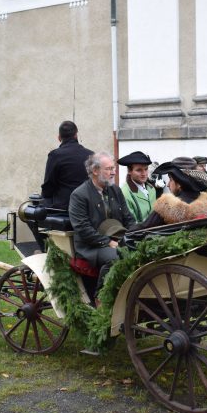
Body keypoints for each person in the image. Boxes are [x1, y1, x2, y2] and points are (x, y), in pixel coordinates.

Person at [68, 152, 136, 301]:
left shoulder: (115, 190)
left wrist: (136, 234)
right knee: (117, 257)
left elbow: (128, 218)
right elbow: (83, 229)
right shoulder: (79, 195)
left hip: (117, 240)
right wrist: (108, 242)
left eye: (114, 168)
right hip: (91, 247)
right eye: (109, 168)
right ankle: (101, 298)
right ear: (95, 170)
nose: (113, 172)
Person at [133, 157, 207, 229]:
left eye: (171, 179)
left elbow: (142, 229)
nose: (168, 184)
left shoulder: (166, 207)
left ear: (179, 184)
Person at [41, 120, 94, 210]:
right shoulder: (91, 155)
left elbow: (48, 185)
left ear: (59, 137)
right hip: (87, 206)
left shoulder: (55, 155)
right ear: (76, 135)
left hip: (63, 208)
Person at [117, 151, 157, 223]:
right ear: (129, 171)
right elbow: (131, 223)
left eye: (146, 169)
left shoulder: (152, 189)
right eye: (139, 170)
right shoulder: (124, 193)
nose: (144, 173)